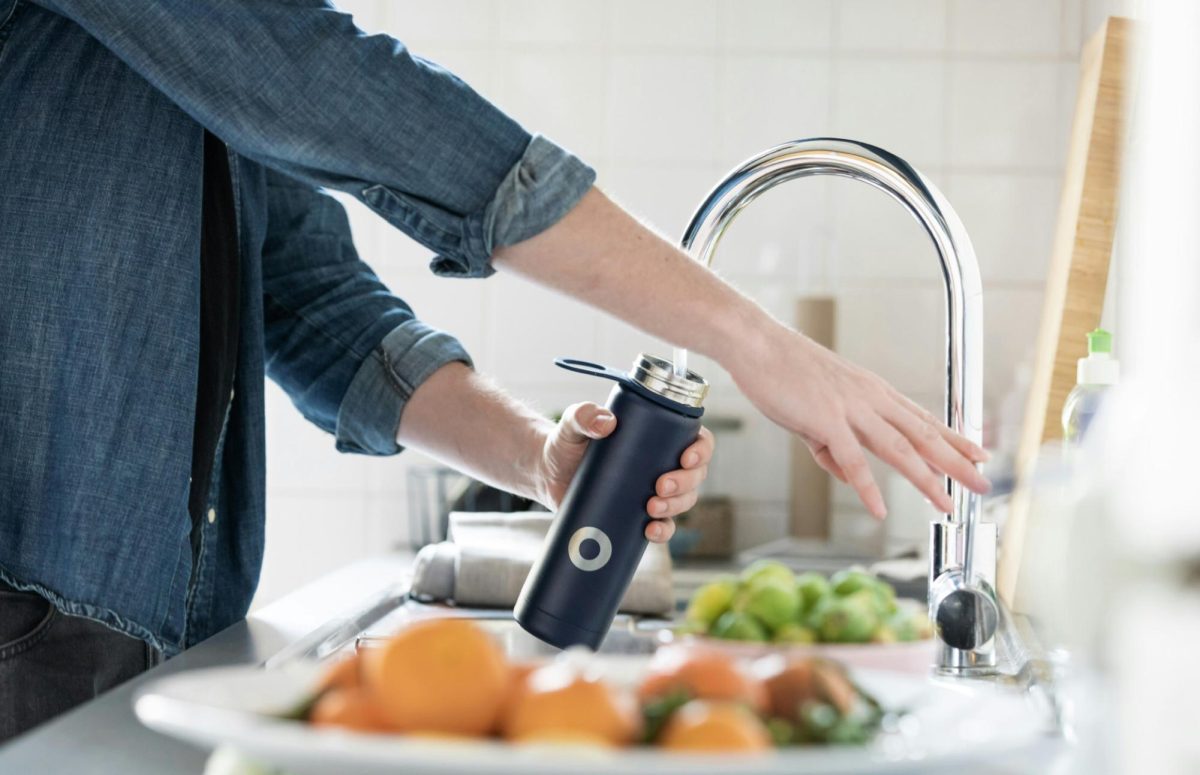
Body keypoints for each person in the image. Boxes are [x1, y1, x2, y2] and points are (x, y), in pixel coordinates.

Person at [0, 0, 991, 741]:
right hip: (25, 629)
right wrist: (755, 341)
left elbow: (311, 302)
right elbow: (339, 90)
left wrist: (539, 462)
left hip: (134, 636)